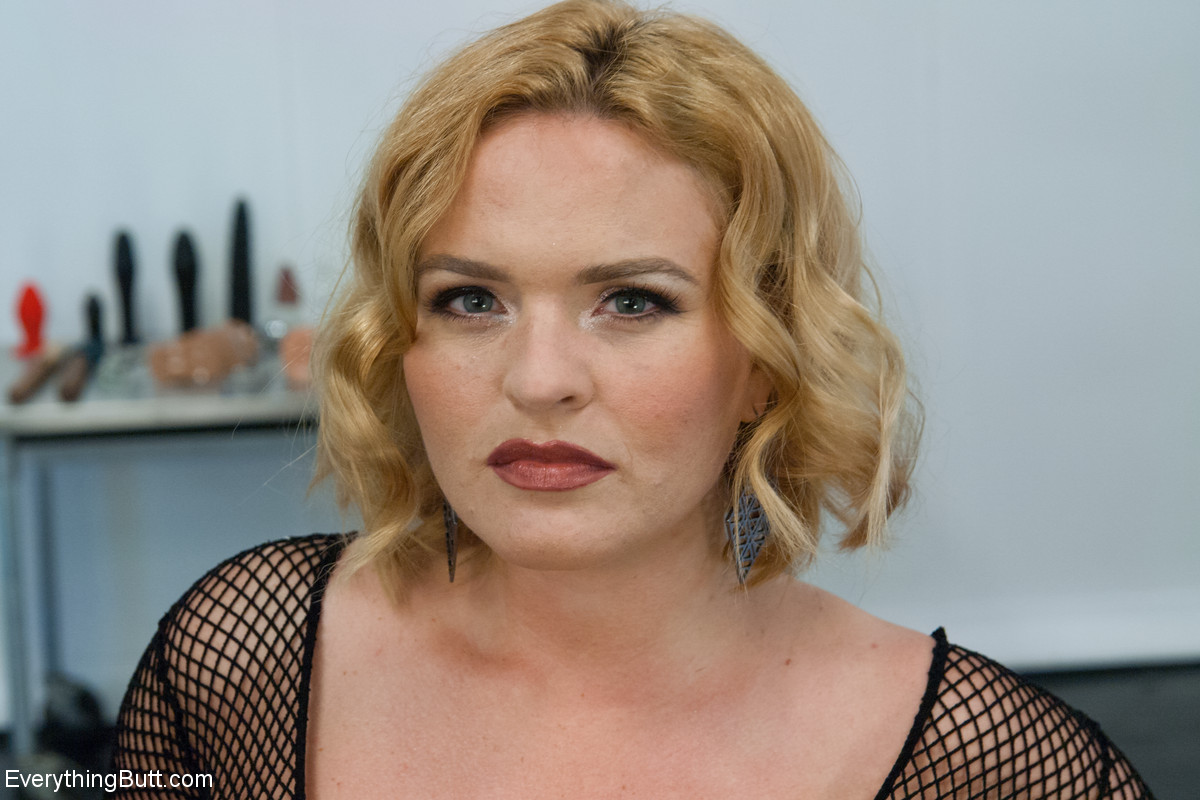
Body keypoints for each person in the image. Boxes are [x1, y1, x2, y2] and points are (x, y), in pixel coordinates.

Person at [111, 1, 1154, 797]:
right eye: (471, 299)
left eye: (633, 301)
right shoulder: (237, 664)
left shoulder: (985, 767)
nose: (539, 379)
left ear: (765, 358)